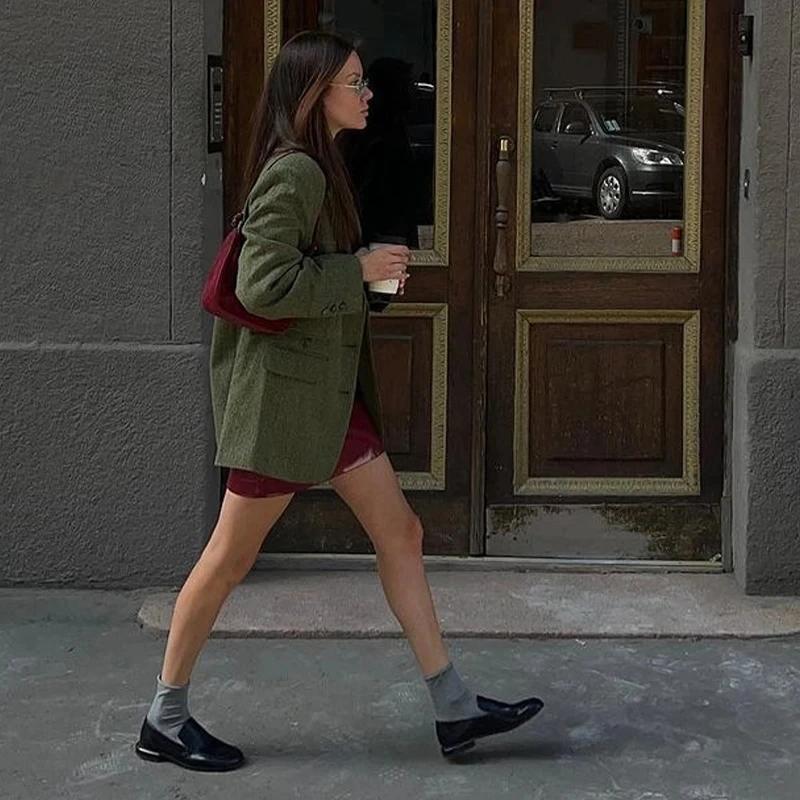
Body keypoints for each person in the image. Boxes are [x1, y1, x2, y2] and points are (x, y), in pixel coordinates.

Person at [134, 30, 543, 773]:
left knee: (403, 534)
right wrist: (355, 269)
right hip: (283, 402)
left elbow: (309, 275)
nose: (368, 94)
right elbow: (263, 285)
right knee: (227, 559)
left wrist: (367, 280)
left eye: (363, 82)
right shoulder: (296, 174)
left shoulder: (324, 166)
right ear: (315, 92)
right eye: (354, 83)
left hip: (325, 397)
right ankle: (164, 716)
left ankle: (453, 707)